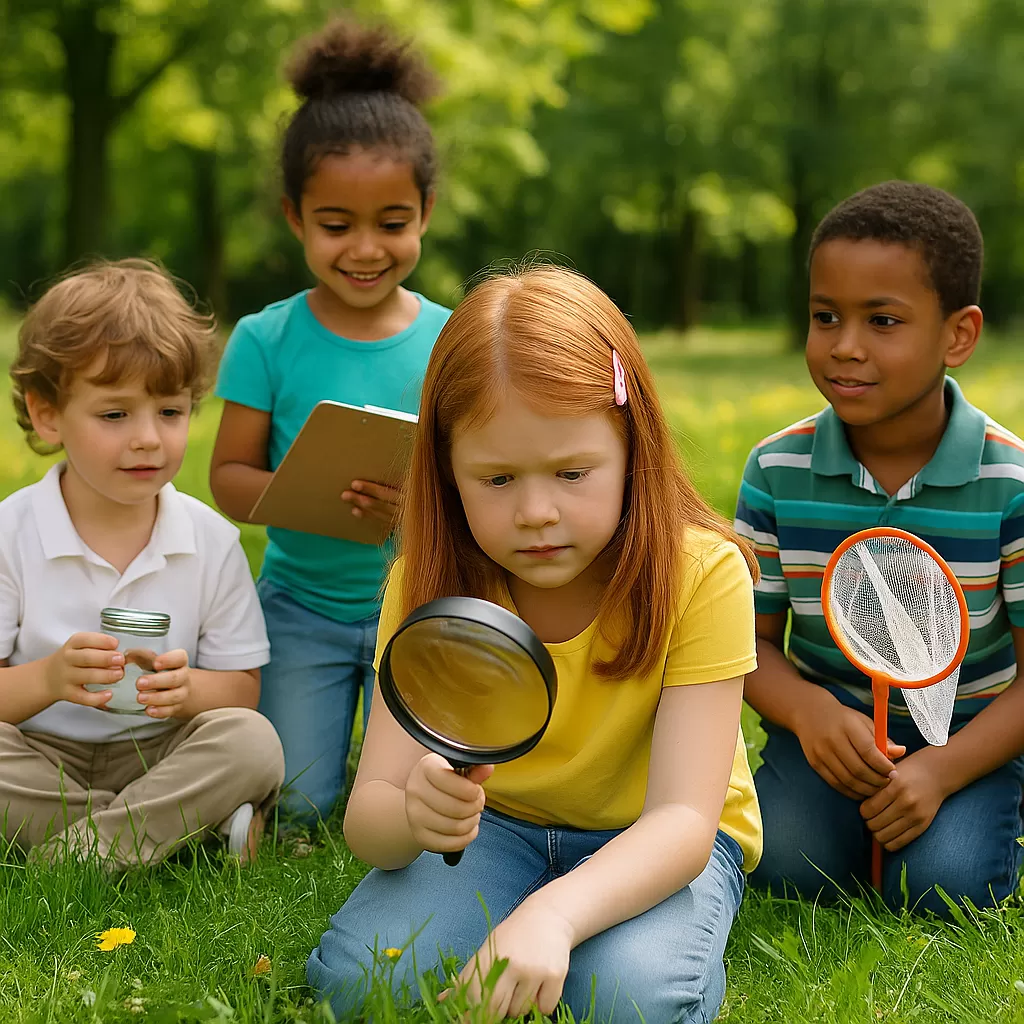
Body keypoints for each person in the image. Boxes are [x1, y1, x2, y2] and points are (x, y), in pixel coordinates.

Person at [306, 266, 761, 1023]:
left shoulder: (701, 575)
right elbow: (372, 818)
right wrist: (413, 817)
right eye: (496, 479)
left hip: (647, 834)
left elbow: (683, 822)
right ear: (447, 474)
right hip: (494, 829)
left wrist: (553, 915)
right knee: (358, 985)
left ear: (632, 450)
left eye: (573, 472)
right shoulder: (424, 584)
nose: (538, 512)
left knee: (627, 1001)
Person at [734, 181, 1024, 916]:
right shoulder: (777, 469)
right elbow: (744, 646)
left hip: (967, 739)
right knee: (786, 867)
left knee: (945, 887)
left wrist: (944, 772)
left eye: (883, 320)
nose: (845, 346)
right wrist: (805, 712)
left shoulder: (1009, 481)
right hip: (828, 739)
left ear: (957, 335)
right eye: (824, 316)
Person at [209, 19, 451, 826]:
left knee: (419, 793)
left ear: (426, 210)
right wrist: (308, 493)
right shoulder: (266, 338)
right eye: (336, 225)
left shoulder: (454, 338)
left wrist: (414, 508)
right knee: (303, 802)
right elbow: (229, 482)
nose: (365, 249)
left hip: (418, 602)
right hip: (301, 607)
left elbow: (485, 474)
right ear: (294, 217)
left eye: (391, 222)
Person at [0, 259, 284, 870]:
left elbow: (242, 692)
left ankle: (76, 851)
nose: (148, 439)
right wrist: (49, 679)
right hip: (39, 752)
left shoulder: (210, 539)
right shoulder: (11, 532)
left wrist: (187, 693)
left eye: (170, 412)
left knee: (252, 743)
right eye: (114, 414)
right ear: (47, 414)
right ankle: (170, 835)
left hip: (159, 751)